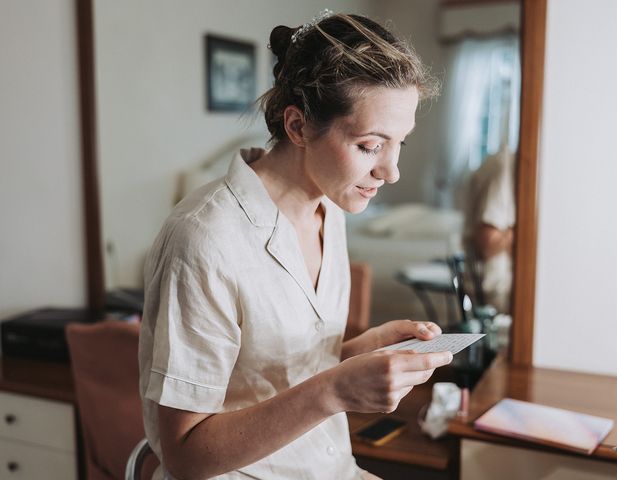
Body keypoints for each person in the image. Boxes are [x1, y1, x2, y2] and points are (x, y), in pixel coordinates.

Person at [139, 11, 451, 480]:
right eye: (370, 146)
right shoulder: (204, 239)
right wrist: (333, 392)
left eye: (399, 143)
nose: (391, 172)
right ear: (299, 126)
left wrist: (355, 357)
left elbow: (266, 378)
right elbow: (183, 456)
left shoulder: (330, 206)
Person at [463, 143, 516, 314]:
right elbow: (489, 242)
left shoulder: (501, 164)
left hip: (492, 284)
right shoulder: (503, 171)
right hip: (497, 288)